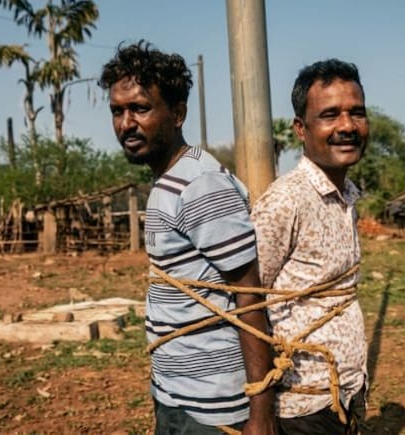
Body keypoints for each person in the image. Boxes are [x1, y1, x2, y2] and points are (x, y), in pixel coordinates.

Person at [98, 41, 275, 435]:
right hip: (178, 394)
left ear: (177, 113)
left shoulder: (200, 185)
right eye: (117, 111)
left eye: (140, 109)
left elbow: (249, 294)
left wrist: (260, 410)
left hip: (210, 408)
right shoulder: (170, 180)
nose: (126, 123)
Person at [251, 59, 370, 434]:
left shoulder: (344, 195)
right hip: (301, 406)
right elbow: (246, 304)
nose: (347, 126)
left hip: (344, 392)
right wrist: (260, 411)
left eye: (357, 113)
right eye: (330, 115)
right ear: (301, 129)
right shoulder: (286, 201)